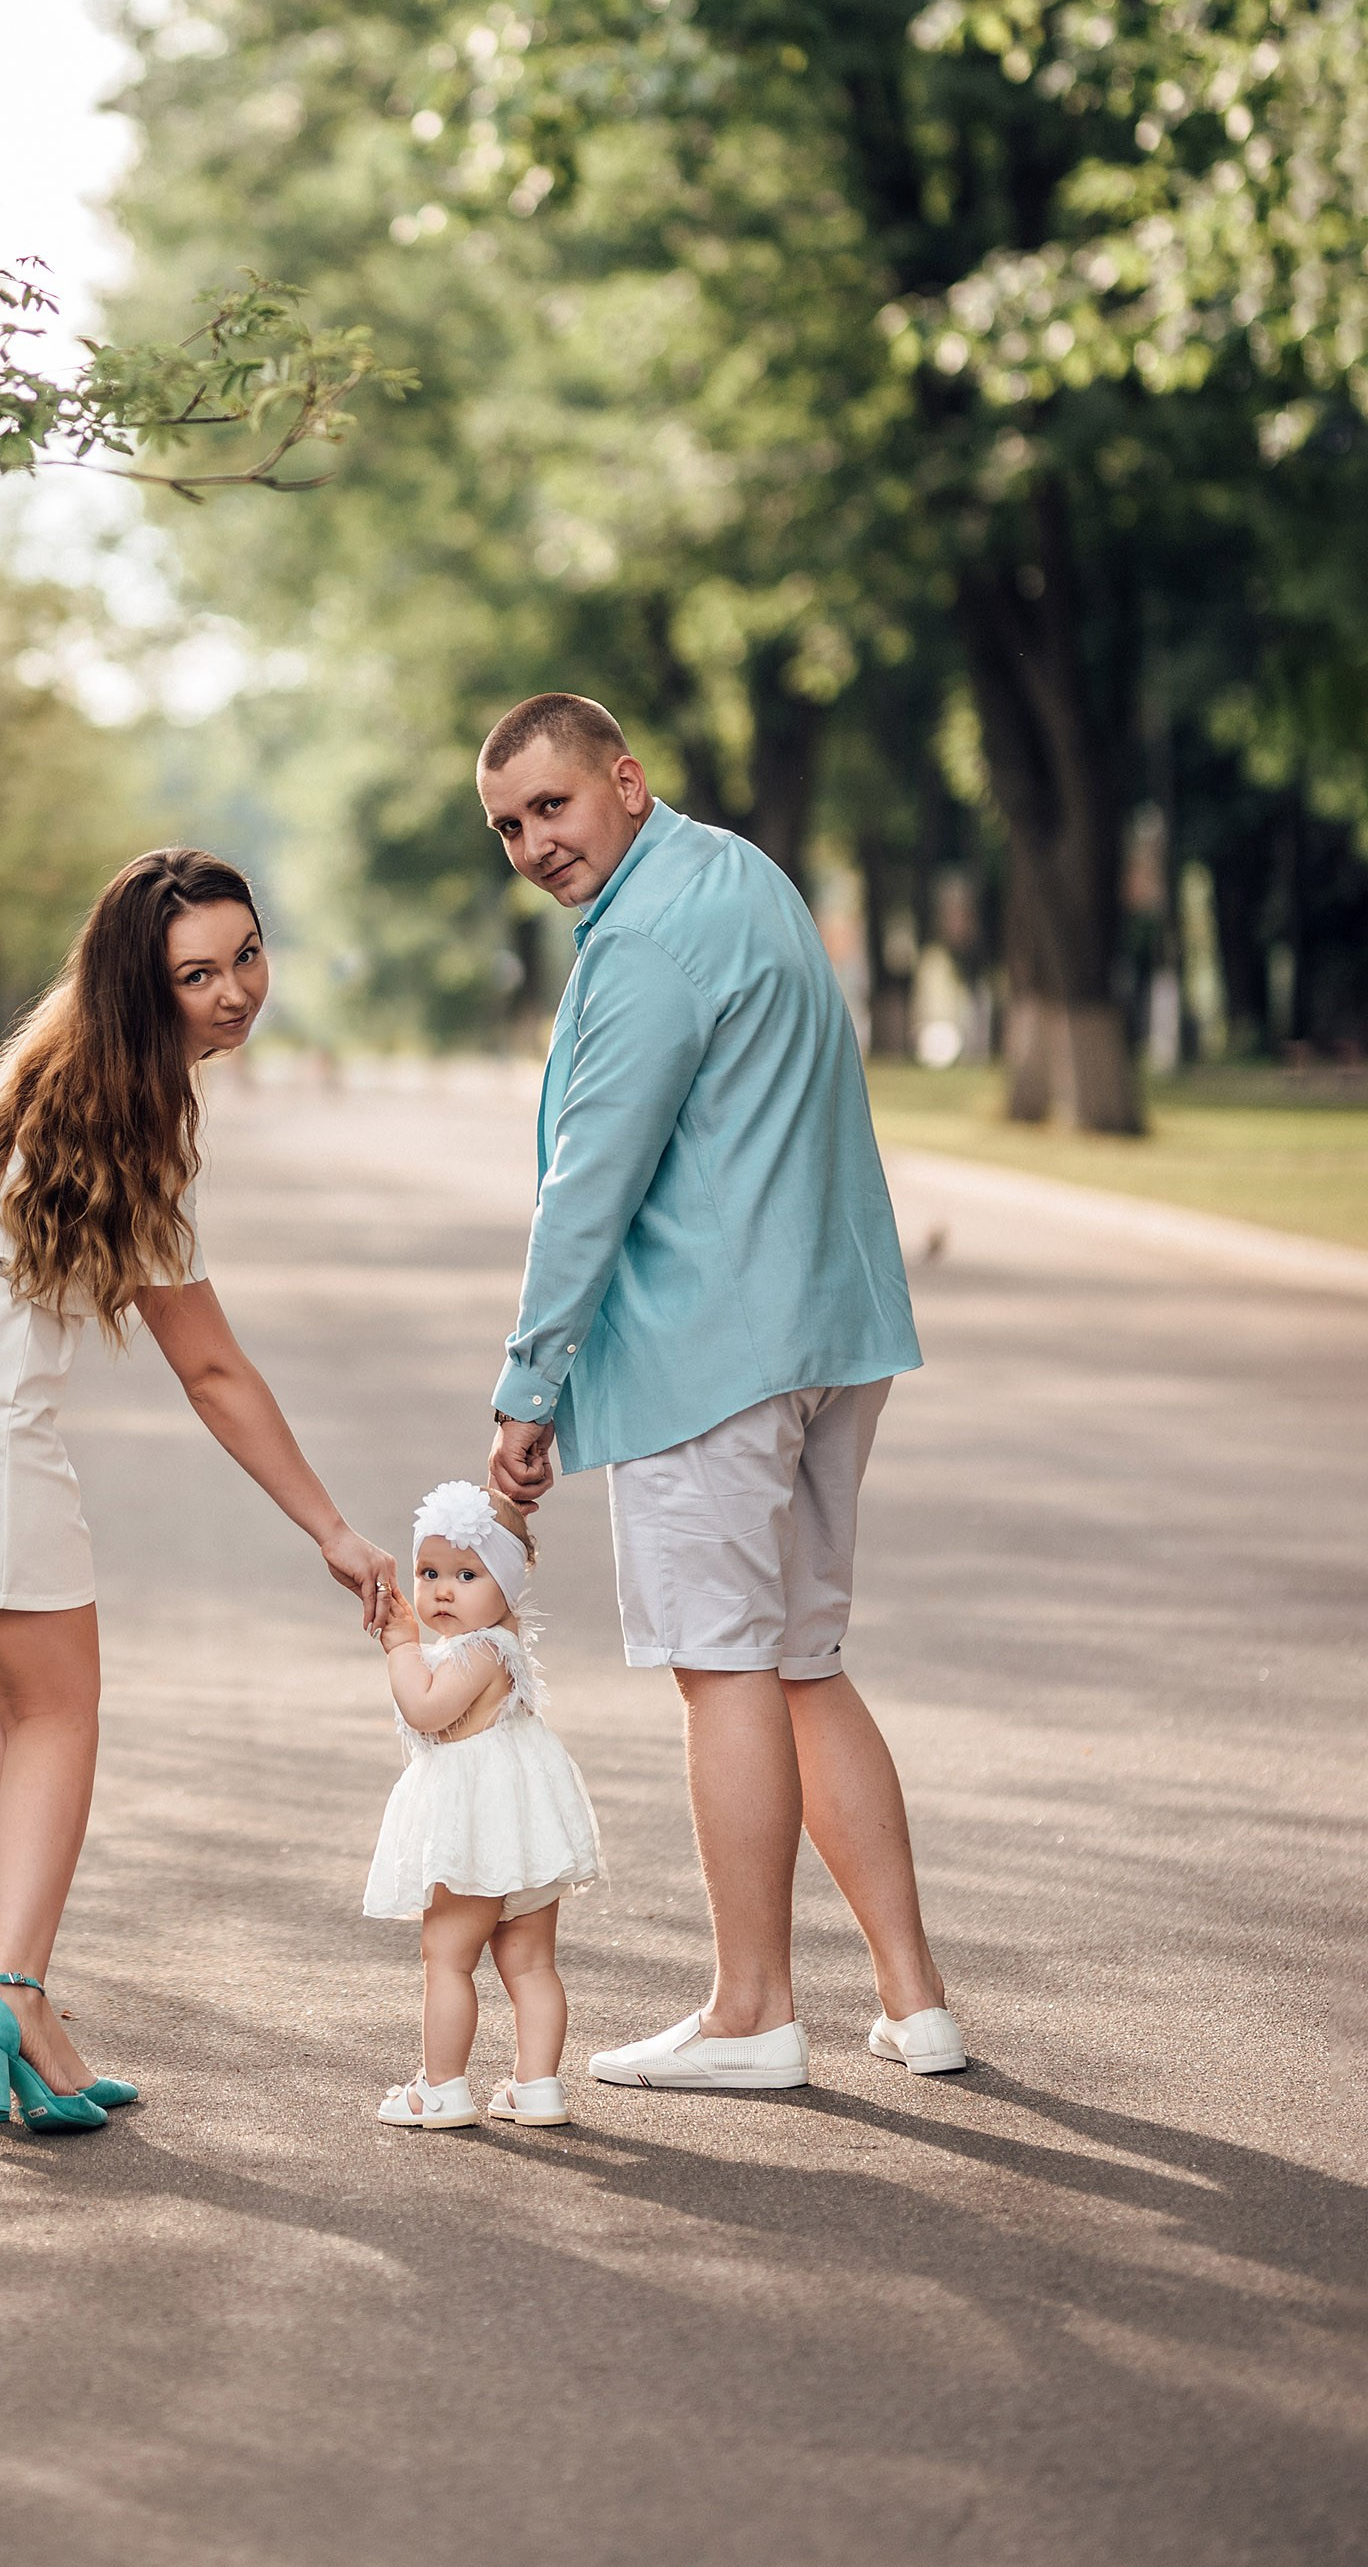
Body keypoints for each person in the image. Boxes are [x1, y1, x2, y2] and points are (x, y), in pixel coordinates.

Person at [0, 847, 399, 2134]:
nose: (235, 991)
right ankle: (12, 1993)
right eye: (198, 974)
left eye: (245, 955)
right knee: (57, 1709)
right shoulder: (138, 1127)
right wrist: (330, 1531)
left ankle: (15, 2013)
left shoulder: (52, 1062)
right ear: (143, 986)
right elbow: (212, 1371)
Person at [476, 695, 967, 2090]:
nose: (532, 842)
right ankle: (913, 2001)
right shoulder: (741, 871)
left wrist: (530, 1392)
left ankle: (754, 2011)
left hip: (714, 1358)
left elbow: (589, 1191)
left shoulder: (639, 945)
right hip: (829, 1334)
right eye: (507, 825)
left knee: (725, 1666)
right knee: (802, 1656)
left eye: (552, 806)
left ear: (623, 782)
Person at [365, 1480, 602, 2130]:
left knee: (447, 1957)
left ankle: (440, 2088)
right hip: (525, 1830)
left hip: (481, 1833)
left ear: (504, 1579)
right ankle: (537, 2084)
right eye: (429, 1571)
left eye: (467, 1573)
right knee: (530, 1962)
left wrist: (400, 1647)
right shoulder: (501, 1641)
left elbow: (426, 1708)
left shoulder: (476, 1650)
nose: (443, 1589)